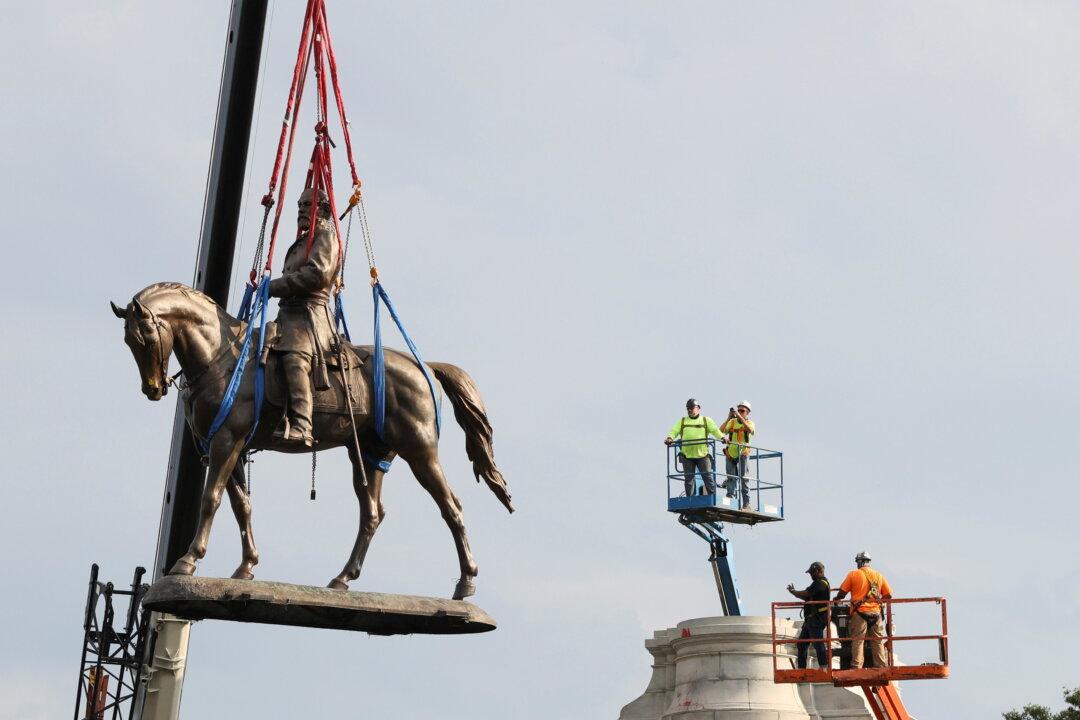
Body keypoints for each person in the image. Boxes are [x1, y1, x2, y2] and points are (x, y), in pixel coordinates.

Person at [268, 187, 342, 446]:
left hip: (310, 317)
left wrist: (274, 287)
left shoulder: (325, 237)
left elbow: (317, 275)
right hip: (287, 316)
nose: (300, 209)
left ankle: (302, 425)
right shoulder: (300, 243)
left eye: (306, 205)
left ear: (321, 209)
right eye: (299, 205)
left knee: (294, 358)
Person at [834, 551, 893, 669]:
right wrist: (878, 601)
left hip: (859, 613)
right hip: (876, 614)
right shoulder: (878, 575)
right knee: (877, 641)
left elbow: (842, 593)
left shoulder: (853, 574)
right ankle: (880, 666)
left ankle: (856, 666)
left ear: (859, 562)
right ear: (869, 562)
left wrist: (836, 599)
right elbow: (889, 595)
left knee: (858, 640)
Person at [665, 399, 725, 496]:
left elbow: (715, 431)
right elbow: (674, 431)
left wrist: (722, 438)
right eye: (688, 408)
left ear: (698, 408)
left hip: (702, 455)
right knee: (689, 478)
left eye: (692, 408)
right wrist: (669, 438)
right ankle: (690, 499)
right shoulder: (682, 421)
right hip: (687, 455)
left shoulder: (706, 421)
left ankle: (712, 497)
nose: (690, 410)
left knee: (707, 476)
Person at [786, 561, 831, 669]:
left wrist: (794, 592)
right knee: (802, 644)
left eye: (812, 572)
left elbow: (806, 594)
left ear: (818, 571)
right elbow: (806, 596)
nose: (811, 575)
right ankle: (802, 668)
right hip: (811, 619)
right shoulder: (817, 583)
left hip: (816, 619)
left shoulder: (820, 583)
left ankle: (824, 667)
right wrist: (795, 593)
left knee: (818, 643)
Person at [720, 401, 756, 509]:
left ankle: (746, 504)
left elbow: (750, 430)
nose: (739, 412)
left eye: (742, 411)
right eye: (738, 410)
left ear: (747, 413)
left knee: (744, 478)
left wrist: (740, 417)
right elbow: (720, 431)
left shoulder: (750, 423)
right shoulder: (731, 422)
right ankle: (730, 498)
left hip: (743, 453)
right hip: (731, 453)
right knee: (731, 477)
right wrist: (728, 418)